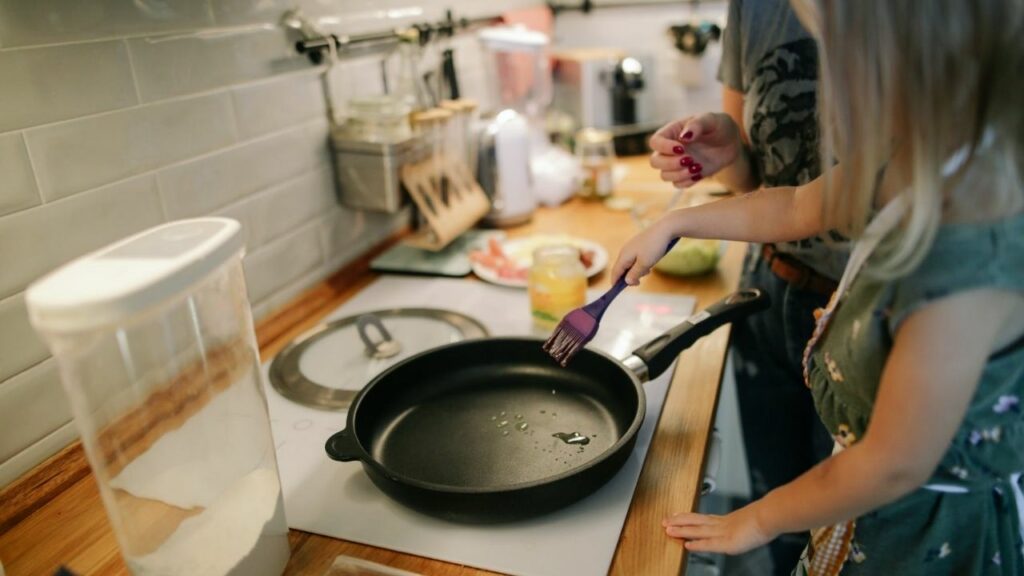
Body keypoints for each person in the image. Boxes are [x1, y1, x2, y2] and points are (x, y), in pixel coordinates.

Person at [615, 0, 1024, 573]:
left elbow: (891, 464)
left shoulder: (966, 260)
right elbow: (796, 206)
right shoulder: (914, 157)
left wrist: (759, 519)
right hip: (864, 506)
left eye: (838, 53)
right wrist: (674, 223)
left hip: (922, 538)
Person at [648, 0, 837, 571]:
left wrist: (759, 519)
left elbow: (888, 466)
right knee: (777, 505)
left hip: (866, 310)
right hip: (770, 294)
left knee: (843, 525)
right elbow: (776, 191)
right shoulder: (754, 8)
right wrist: (727, 152)